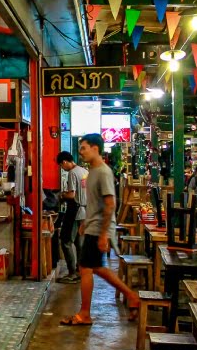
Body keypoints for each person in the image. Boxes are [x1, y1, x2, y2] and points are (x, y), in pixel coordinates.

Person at [60, 133, 139, 326]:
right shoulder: (91, 171)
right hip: (92, 225)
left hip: (99, 228)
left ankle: (126, 297)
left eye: (84, 148)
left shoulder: (103, 171)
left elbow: (110, 204)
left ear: (95, 148)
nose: (81, 152)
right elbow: (94, 203)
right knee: (89, 267)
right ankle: (91, 310)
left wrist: (103, 234)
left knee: (90, 267)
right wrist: (85, 223)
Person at [56, 151, 88, 283]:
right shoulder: (84, 171)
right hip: (85, 210)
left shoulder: (72, 173)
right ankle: (81, 270)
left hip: (75, 211)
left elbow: (72, 195)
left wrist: (62, 195)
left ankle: (72, 273)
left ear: (64, 162)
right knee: (79, 242)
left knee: (66, 241)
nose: (62, 168)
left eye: (61, 166)